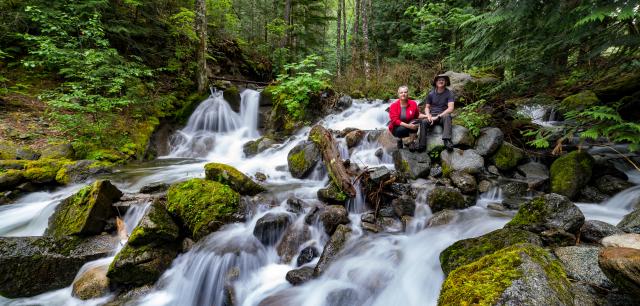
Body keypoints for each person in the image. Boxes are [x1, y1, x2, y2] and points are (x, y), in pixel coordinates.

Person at [388, 85, 428, 151]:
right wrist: (409, 126)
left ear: (408, 93)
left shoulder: (413, 103)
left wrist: (427, 116)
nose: (403, 94)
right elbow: (395, 121)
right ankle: (399, 139)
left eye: (405, 92)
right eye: (401, 92)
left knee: (416, 122)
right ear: (398, 95)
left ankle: (411, 142)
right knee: (407, 127)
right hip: (397, 128)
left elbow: (417, 115)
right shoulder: (393, 106)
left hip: (409, 125)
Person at [424, 74, 455, 151]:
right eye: (439, 80)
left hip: (442, 116)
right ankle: (422, 144)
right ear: (435, 82)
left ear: (446, 82)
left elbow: (450, 108)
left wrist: (438, 116)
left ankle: (447, 140)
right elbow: (427, 107)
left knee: (447, 116)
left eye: (443, 80)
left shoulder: (449, 93)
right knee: (423, 122)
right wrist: (428, 116)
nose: (441, 81)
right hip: (432, 116)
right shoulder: (431, 94)